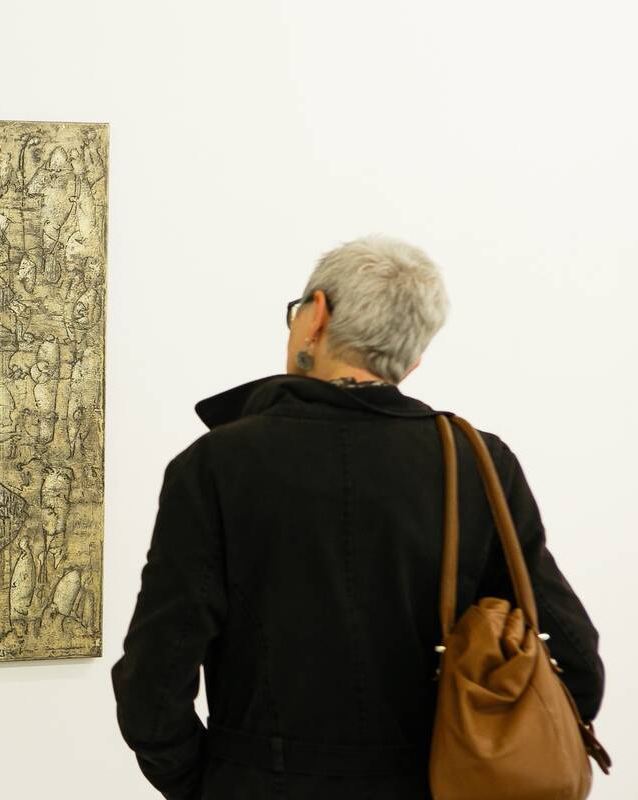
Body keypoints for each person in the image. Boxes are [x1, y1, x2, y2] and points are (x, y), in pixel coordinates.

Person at [110, 235, 604, 799]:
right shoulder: (476, 463)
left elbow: (154, 685)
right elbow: (575, 662)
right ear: (413, 358)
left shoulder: (216, 464)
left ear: (316, 315)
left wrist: (207, 783)